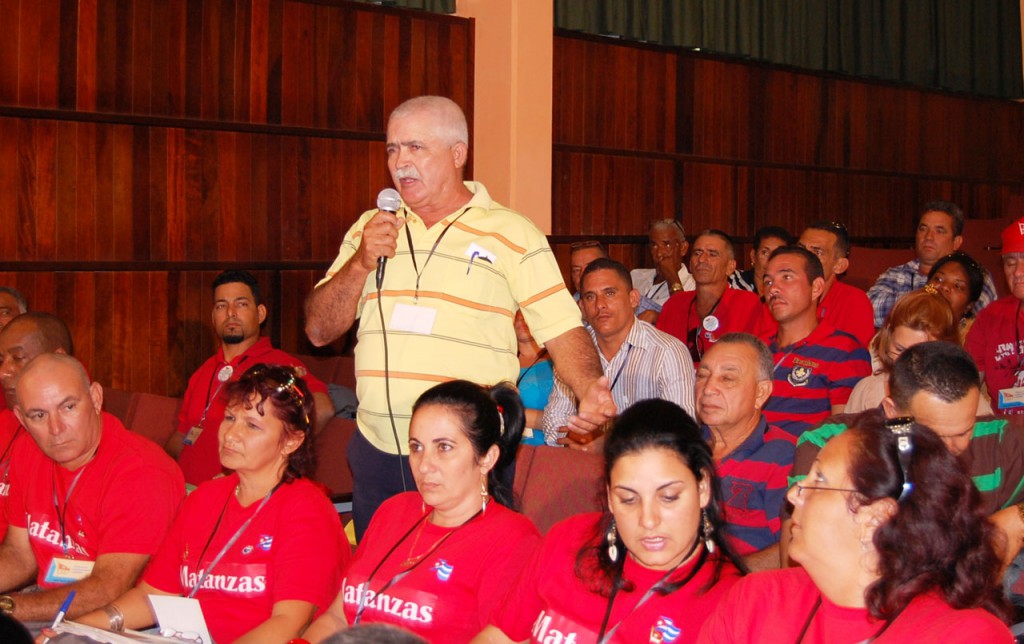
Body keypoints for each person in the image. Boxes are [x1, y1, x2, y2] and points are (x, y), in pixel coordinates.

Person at [304, 96, 611, 537]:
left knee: (458, 584)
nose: (400, 163)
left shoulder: (511, 232)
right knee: (382, 588)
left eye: (415, 148)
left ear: (458, 153)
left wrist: (589, 390)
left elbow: (561, 326)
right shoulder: (371, 228)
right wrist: (359, 263)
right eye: (392, 149)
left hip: (466, 454)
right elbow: (318, 330)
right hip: (378, 448)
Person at [73, 364, 349, 644]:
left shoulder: (306, 509)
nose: (231, 434)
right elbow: (151, 595)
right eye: (230, 417)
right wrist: (77, 628)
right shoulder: (206, 497)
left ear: (291, 441)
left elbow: (290, 623)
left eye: (252, 425)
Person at [700, 410, 1013, 642]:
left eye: (818, 480)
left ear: (874, 517)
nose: (794, 494)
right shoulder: (757, 600)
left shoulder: (963, 636)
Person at [476, 399, 745, 644]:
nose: (648, 520)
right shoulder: (568, 539)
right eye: (628, 499)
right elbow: (499, 636)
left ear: (702, 488)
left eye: (669, 497)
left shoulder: (732, 602)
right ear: (609, 495)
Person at [303, 380, 541, 643]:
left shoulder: (513, 539)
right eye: (416, 447)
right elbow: (338, 616)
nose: (424, 465)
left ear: (487, 458)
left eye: (444, 447)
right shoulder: (395, 510)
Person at [785, 342, 1024, 570]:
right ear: (893, 412)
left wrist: (1013, 521)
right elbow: (799, 555)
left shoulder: (998, 440)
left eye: (964, 431)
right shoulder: (831, 444)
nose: (951, 448)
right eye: (934, 435)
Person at [0, 354, 184, 622]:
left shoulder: (142, 471)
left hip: (118, 623)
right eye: (38, 415)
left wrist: (9, 608)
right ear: (22, 419)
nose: (56, 428)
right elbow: (19, 554)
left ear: (96, 398)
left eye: (68, 407)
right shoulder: (27, 451)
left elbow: (108, 588)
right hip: (46, 604)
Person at [169, 270, 333, 487]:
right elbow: (182, 436)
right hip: (186, 490)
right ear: (213, 317)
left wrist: (265, 466)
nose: (230, 313)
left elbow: (322, 409)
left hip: (235, 493)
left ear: (261, 313)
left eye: (241, 304)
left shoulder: (278, 366)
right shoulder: (203, 371)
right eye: (221, 305)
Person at [542, 258, 695, 447]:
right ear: (581, 307)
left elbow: (683, 431)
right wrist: (579, 444)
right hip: (581, 462)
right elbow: (554, 423)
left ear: (633, 299)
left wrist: (606, 444)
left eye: (610, 293)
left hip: (646, 469)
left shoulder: (668, 352)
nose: (600, 305)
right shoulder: (573, 352)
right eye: (590, 296)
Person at [696, 334, 793, 570]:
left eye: (727, 378)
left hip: (742, 594)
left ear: (761, 393)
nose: (708, 389)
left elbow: (794, 549)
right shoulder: (681, 449)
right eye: (702, 375)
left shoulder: (785, 457)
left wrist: (725, 579)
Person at [759, 246, 871, 442]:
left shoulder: (844, 351)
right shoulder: (756, 347)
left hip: (800, 463)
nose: (773, 289)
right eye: (768, 281)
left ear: (817, 288)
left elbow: (842, 436)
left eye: (786, 278)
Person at [845, 289, 988, 413]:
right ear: (888, 337)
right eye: (899, 349)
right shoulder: (867, 390)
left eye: (920, 354)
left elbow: (987, 441)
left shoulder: (966, 397)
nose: (907, 363)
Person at [0, 312, 74, 543]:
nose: (3, 372)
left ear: (57, 358)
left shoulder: (73, 437)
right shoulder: (6, 420)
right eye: (1, 360)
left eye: (18, 358)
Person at [868, 200, 997, 328]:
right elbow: (869, 310)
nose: (928, 237)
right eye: (923, 229)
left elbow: (975, 323)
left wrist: (915, 301)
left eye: (939, 231)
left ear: (956, 242)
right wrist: (934, 295)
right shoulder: (895, 274)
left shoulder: (975, 275)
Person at [657, 230, 762, 365]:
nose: (702, 259)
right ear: (690, 264)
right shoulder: (675, 304)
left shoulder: (747, 304)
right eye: (697, 253)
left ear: (730, 267)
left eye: (712, 254)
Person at [796, 221, 874, 348]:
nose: (804, 258)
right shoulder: (779, 293)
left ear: (839, 266)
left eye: (817, 252)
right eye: (800, 249)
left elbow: (852, 359)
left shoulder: (854, 301)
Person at [631, 219, 696, 324]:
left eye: (667, 245)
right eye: (654, 245)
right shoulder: (636, 276)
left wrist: (672, 277)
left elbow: (684, 323)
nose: (659, 253)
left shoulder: (694, 286)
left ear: (683, 248)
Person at [926, 251, 985, 341]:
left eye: (957, 286)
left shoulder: (975, 339)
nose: (945, 287)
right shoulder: (906, 320)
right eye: (938, 279)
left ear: (969, 305)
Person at [514, 310, 552, 445]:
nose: (523, 320)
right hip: (507, 451)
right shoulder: (503, 362)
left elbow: (567, 419)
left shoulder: (557, 361)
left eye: (527, 315)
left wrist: (514, 415)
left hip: (545, 451)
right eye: (519, 316)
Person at [728, 226, 795, 298]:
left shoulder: (791, 289)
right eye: (765, 252)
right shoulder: (732, 280)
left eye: (777, 253)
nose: (771, 259)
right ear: (753, 256)